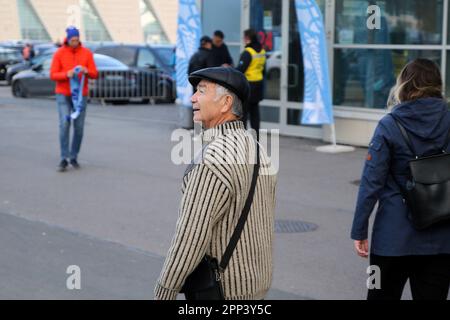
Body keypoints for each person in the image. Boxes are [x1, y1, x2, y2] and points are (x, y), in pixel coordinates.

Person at [154, 67, 277, 300]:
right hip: (256, 284)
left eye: (201, 91)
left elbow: (190, 239)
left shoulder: (212, 160)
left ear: (226, 103)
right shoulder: (259, 150)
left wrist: (164, 292)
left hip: (224, 291)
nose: (192, 97)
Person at [351, 58, 450, 300]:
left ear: (404, 85)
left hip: (391, 239)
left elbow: (371, 182)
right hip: (441, 239)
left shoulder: (389, 124)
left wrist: (359, 230)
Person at [50, 26, 98, 172]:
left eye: (77, 40)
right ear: (68, 39)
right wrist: (67, 74)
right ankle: (64, 158)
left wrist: (86, 70)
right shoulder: (59, 53)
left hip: (80, 96)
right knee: (64, 124)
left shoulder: (87, 53)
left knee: (79, 127)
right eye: (72, 40)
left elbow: (95, 73)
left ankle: (74, 156)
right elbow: (53, 74)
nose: (75, 42)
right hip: (63, 93)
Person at [237, 29, 266, 135]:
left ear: (248, 38)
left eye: (244, 37)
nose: (243, 39)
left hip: (248, 85)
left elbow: (240, 70)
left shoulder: (248, 52)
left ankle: (242, 137)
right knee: (255, 113)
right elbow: (264, 70)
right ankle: (256, 136)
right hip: (258, 85)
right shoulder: (262, 51)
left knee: (243, 113)